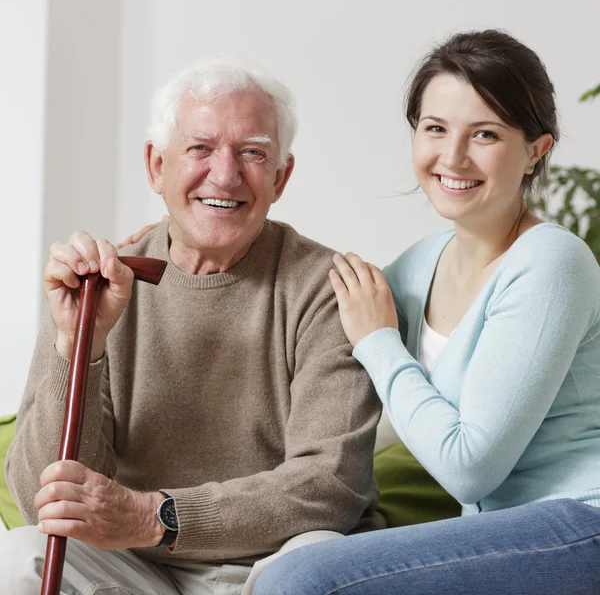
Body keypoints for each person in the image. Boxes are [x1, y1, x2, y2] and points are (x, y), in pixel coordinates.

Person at [1, 59, 382, 594]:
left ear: (281, 177)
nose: (225, 175)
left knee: (315, 562)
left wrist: (157, 516)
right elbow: (43, 497)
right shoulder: (98, 280)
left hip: (265, 569)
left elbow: (330, 484)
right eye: (200, 148)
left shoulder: (327, 287)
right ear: (157, 165)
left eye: (252, 152)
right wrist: (77, 347)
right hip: (135, 570)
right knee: (19, 557)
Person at [253, 29, 600, 594]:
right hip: (500, 532)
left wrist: (380, 343)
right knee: (296, 554)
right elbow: (310, 309)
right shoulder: (418, 267)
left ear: (536, 150)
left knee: (303, 581)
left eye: (485, 134)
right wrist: (178, 244)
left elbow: (470, 470)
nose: (453, 156)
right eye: (435, 129)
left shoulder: (552, 262)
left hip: (582, 524)